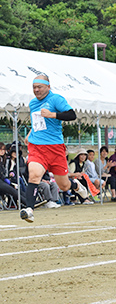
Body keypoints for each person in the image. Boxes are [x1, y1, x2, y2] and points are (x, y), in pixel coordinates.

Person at [20, 74, 90, 222]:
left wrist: (52, 114)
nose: (36, 90)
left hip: (55, 148)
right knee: (34, 175)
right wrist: (30, 133)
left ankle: (76, 186)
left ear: (48, 87)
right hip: (37, 146)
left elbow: (72, 115)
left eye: (39, 87)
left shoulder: (56, 99)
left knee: (64, 186)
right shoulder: (32, 103)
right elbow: (36, 122)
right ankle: (29, 210)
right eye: (34, 87)